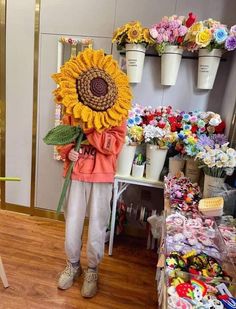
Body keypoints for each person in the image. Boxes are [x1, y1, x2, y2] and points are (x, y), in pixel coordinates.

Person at [57, 115, 126, 298]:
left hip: (102, 174)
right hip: (75, 172)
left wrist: (90, 127)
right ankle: (73, 265)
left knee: (98, 224)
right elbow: (62, 136)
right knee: (72, 222)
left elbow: (114, 145)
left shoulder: (116, 111)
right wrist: (68, 151)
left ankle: (92, 269)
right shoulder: (74, 108)